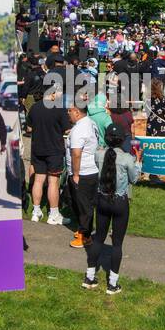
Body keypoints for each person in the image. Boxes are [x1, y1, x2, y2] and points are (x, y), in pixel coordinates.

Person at [82, 123, 142, 295]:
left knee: (99, 239)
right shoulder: (126, 159)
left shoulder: (98, 154)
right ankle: (112, 284)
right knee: (117, 243)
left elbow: (101, 157)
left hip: (102, 200)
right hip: (119, 202)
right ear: (123, 139)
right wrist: (138, 161)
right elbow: (134, 179)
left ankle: (90, 277)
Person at [27, 83, 69, 225]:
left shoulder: (35, 107)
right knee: (53, 182)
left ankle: (36, 211)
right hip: (54, 150)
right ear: (52, 94)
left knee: (38, 180)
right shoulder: (59, 108)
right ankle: (53, 213)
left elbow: (28, 127)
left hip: (38, 148)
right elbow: (67, 129)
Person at [67, 98, 100, 248]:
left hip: (83, 172)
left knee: (82, 206)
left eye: (70, 111)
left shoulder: (79, 129)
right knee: (85, 204)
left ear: (77, 112)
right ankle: (83, 229)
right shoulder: (90, 122)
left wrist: (76, 174)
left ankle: (85, 236)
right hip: (91, 170)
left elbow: (76, 153)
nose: (68, 114)